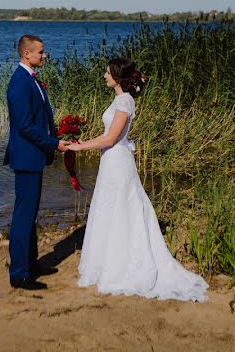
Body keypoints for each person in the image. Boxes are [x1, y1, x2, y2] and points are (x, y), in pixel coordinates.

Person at [66, 58, 208, 301]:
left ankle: (123, 265)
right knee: (110, 208)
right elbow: (108, 135)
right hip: (110, 161)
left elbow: (110, 139)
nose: (104, 75)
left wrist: (80, 148)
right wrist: (84, 141)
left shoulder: (125, 101)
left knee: (121, 207)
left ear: (118, 76)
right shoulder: (119, 100)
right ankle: (108, 260)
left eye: (107, 72)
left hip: (117, 161)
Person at [4, 34, 70, 290]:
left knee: (29, 215)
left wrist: (55, 137)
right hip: (26, 158)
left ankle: (30, 264)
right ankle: (19, 274)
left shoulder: (31, 80)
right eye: (41, 52)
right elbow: (26, 127)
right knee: (23, 216)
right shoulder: (19, 82)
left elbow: (38, 121)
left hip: (33, 156)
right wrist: (54, 144)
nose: (45, 55)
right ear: (26, 54)